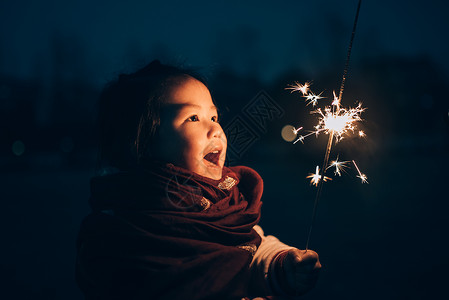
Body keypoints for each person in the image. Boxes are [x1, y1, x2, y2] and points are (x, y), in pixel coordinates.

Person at [75, 60, 321, 300]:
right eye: (193, 118)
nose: (215, 130)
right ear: (142, 143)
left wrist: (282, 263)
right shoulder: (128, 227)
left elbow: (250, 249)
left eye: (214, 117)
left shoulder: (225, 199)